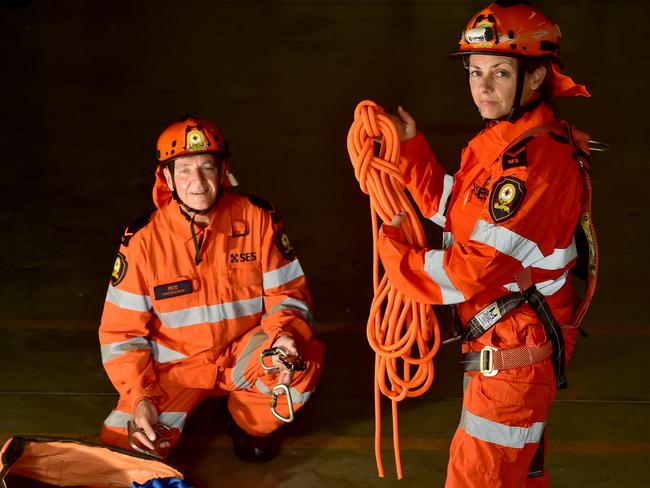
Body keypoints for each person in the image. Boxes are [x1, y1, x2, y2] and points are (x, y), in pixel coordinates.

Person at [378, 1, 595, 486]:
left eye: (500, 72)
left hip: (513, 360)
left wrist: (394, 250)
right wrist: (412, 150)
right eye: (476, 72)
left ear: (536, 78)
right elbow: (464, 215)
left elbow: (467, 271)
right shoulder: (504, 142)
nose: (483, 86)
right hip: (506, 346)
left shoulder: (535, 164)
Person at [98, 115, 324, 462]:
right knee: (124, 453)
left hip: (243, 357)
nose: (198, 181)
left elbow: (288, 295)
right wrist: (140, 397)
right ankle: (160, 415)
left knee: (299, 365)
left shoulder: (258, 218)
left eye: (207, 167)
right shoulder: (142, 241)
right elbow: (121, 334)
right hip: (173, 371)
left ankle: (243, 422)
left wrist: (286, 336)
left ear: (223, 172)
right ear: (167, 178)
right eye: (185, 169)